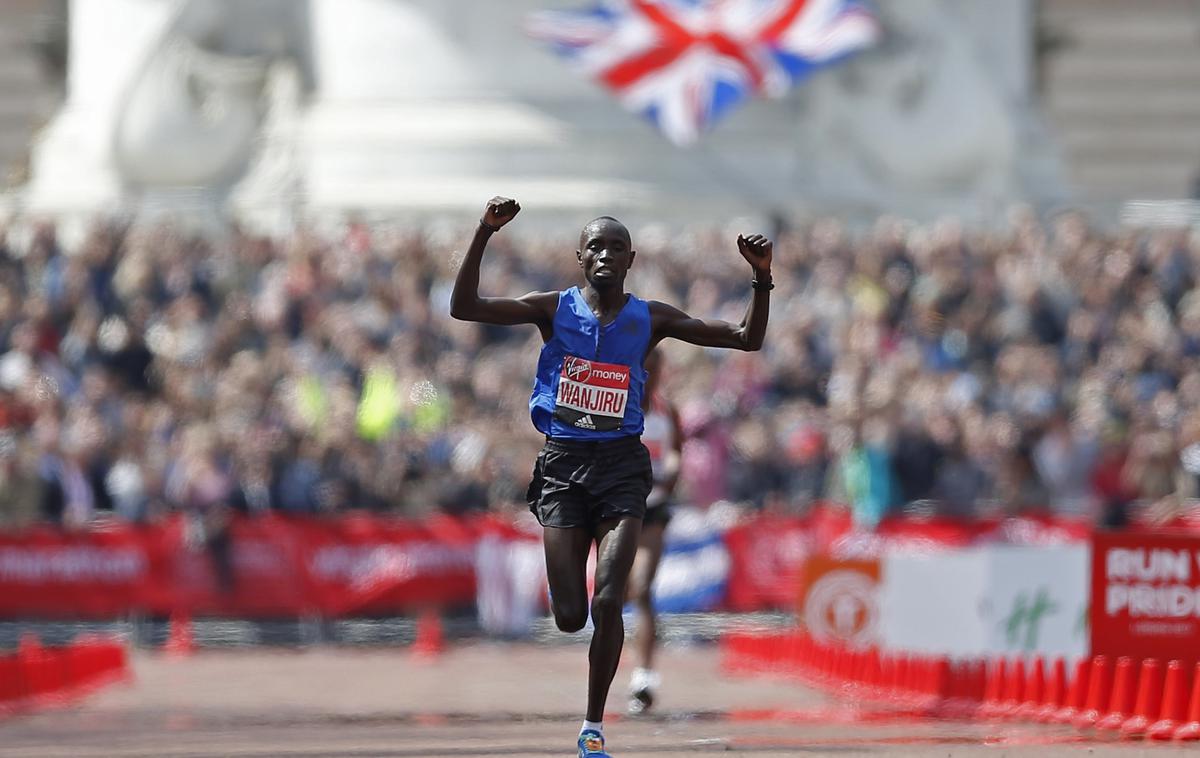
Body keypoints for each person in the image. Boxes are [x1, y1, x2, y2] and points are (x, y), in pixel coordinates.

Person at [451, 197, 773, 758]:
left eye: (615, 248)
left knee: (609, 602)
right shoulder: (551, 309)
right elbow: (464, 307)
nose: (604, 254)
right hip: (562, 468)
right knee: (572, 615)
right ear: (580, 257)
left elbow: (746, 338)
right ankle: (583, 644)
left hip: (623, 468)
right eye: (595, 246)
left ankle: (593, 724)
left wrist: (761, 278)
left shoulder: (652, 318)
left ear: (631, 259)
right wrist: (484, 231)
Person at [624, 348, 683, 715]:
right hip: (616, 511)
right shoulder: (616, 409)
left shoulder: (666, 412)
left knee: (643, 588)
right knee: (614, 591)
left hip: (653, 510)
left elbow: (676, 453)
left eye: (655, 371)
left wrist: (671, 471)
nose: (649, 377)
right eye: (643, 369)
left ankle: (644, 675)